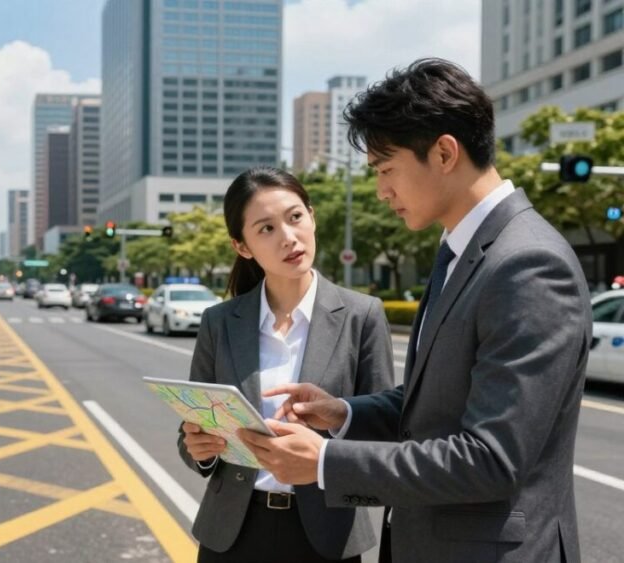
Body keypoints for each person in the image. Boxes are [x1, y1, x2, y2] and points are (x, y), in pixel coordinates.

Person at [238, 58, 591, 563]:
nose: (381, 191)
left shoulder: (528, 264)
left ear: (444, 152)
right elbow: (436, 403)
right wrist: (344, 413)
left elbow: (492, 459)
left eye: (386, 169)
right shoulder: (463, 252)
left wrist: (326, 462)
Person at [179, 167, 394, 562]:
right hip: (232, 532)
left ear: (312, 216)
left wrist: (333, 428)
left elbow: (383, 428)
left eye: (295, 217)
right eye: (266, 228)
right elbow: (193, 426)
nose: (288, 237)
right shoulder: (220, 322)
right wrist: (200, 449)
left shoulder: (362, 315)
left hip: (327, 533)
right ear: (242, 247)